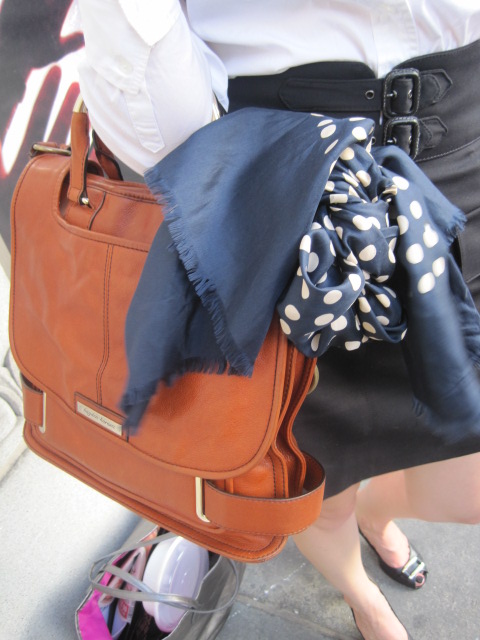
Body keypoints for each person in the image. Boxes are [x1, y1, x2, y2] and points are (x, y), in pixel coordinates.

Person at [75, 2, 480, 638]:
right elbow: (134, 26)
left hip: (465, 160)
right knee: (319, 476)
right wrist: (233, 198)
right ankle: (361, 594)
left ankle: (378, 510)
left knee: (467, 488)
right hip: (292, 190)